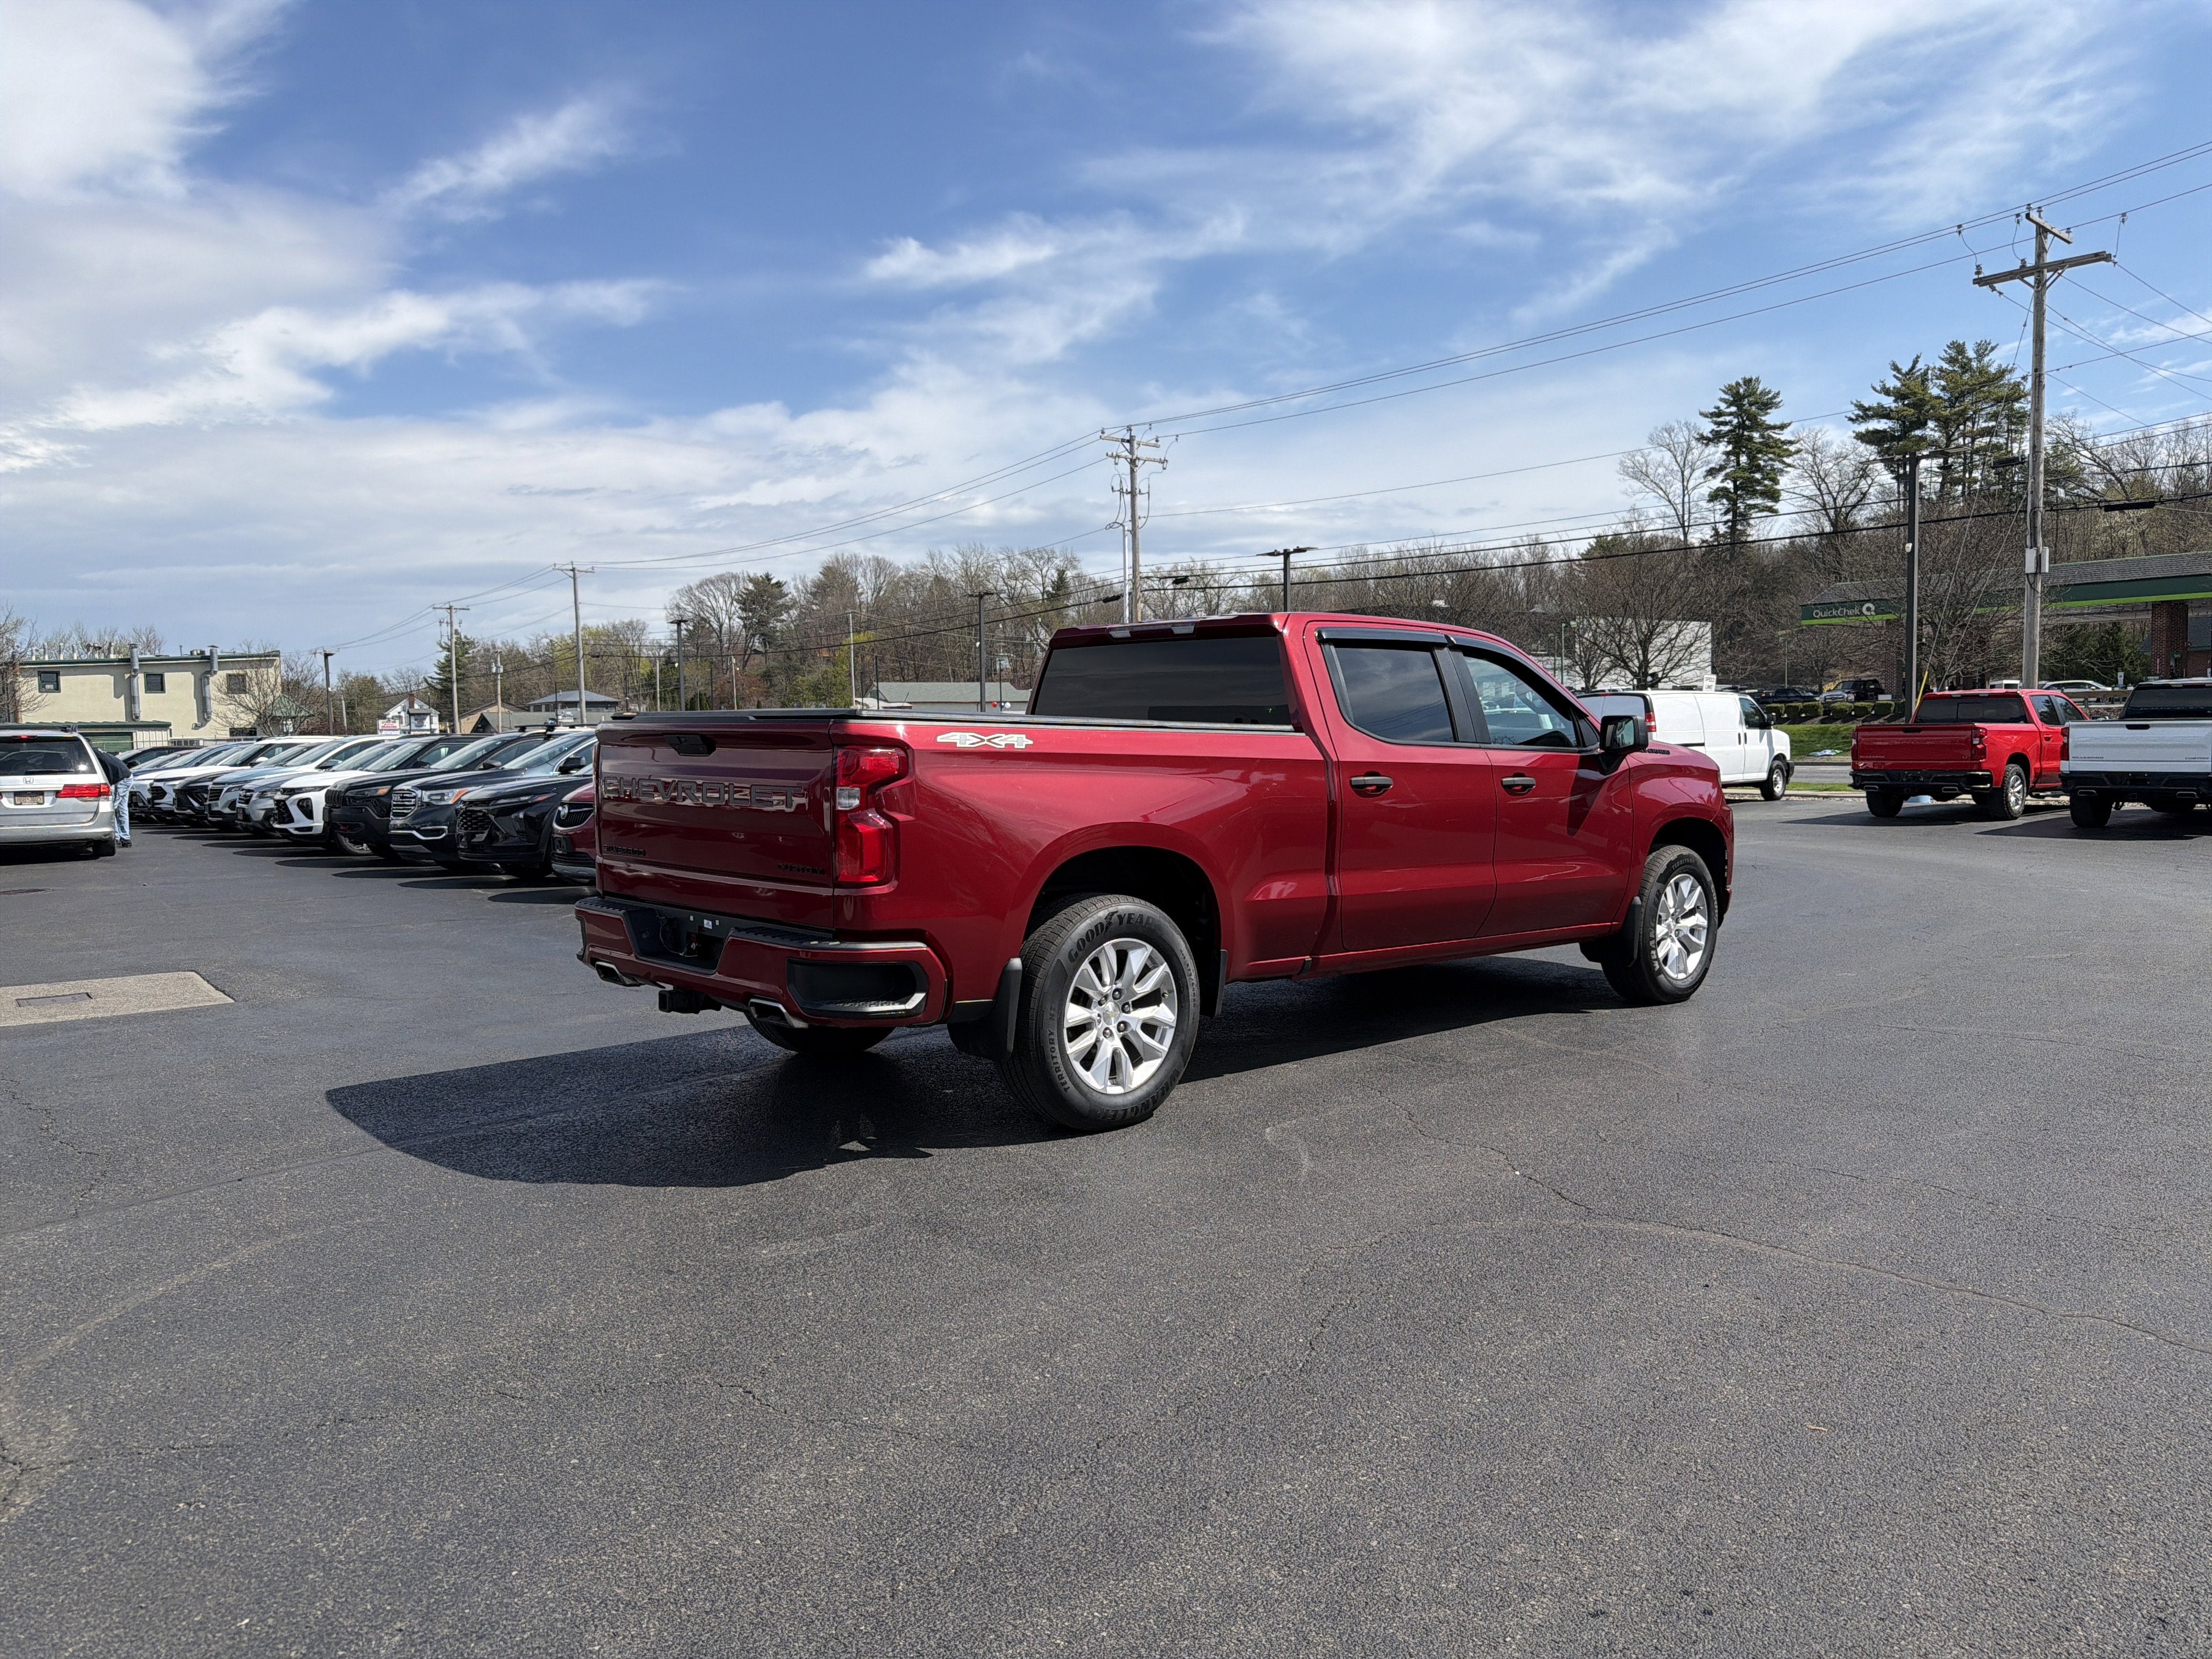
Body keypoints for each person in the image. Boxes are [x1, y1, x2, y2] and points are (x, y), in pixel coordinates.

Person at [96, 747, 131, 848]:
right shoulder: (99, 752)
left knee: (112, 808)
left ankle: (118, 837)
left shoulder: (92, 755)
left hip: (119, 780)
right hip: (126, 776)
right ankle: (125, 838)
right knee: (122, 808)